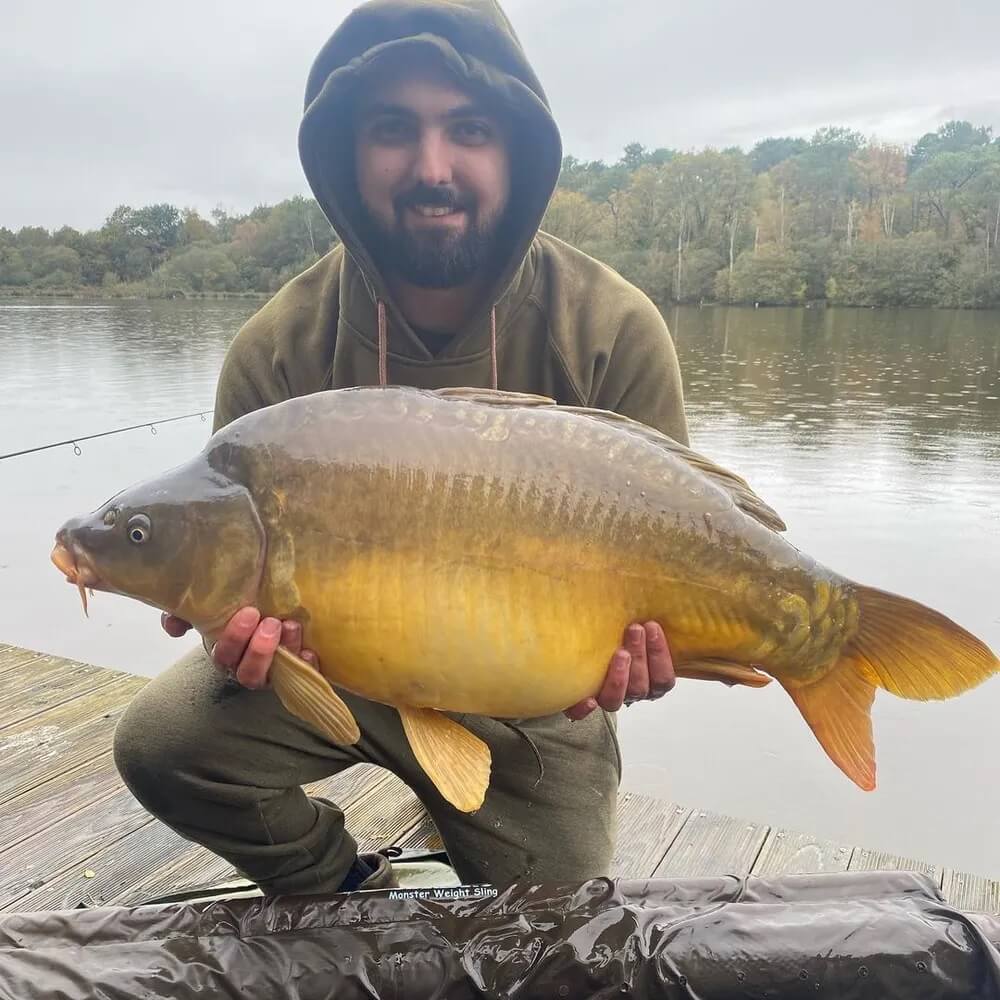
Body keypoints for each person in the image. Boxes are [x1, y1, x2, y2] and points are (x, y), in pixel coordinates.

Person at [113, 0, 689, 895]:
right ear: (345, 150)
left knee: (549, 930)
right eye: (392, 129)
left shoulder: (610, 331)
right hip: (336, 676)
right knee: (161, 744)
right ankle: (341, 891)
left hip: (536, 700)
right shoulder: (276, 351)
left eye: (469, 129)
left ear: (517, 149)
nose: (432, 168)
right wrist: (237, 634)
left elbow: (669, 575)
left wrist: (648, 658)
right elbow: (234, 582)